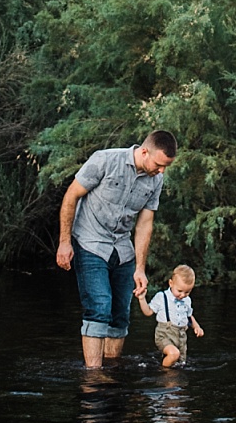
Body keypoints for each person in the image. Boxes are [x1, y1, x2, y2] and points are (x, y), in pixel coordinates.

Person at [56, 130, 178, 369]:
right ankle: (93, 376)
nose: (162, 171)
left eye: (167, 166)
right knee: (99, 306)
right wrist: (64, 242)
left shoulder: (156, 179)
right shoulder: (105, 160)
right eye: (159, 164)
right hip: (90, 241)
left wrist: (140, 269)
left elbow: (145, 224)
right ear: (144, 152)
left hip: (122, 247)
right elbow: (71, 196)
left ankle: (111, 371)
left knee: (120, 313)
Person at [138, 263, 204, 367]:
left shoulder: (187, 300)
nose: (182, 295)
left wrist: (197, 327)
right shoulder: (162, 297)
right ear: (171, 283)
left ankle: (172, 379)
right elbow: (148, 312)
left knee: (180, 363)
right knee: (174, 354)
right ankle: (164, 374)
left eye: (187, 292)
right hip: (164, 334)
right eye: (180, 291)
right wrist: (142, 299)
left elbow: (189, 316)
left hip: (181, 337)